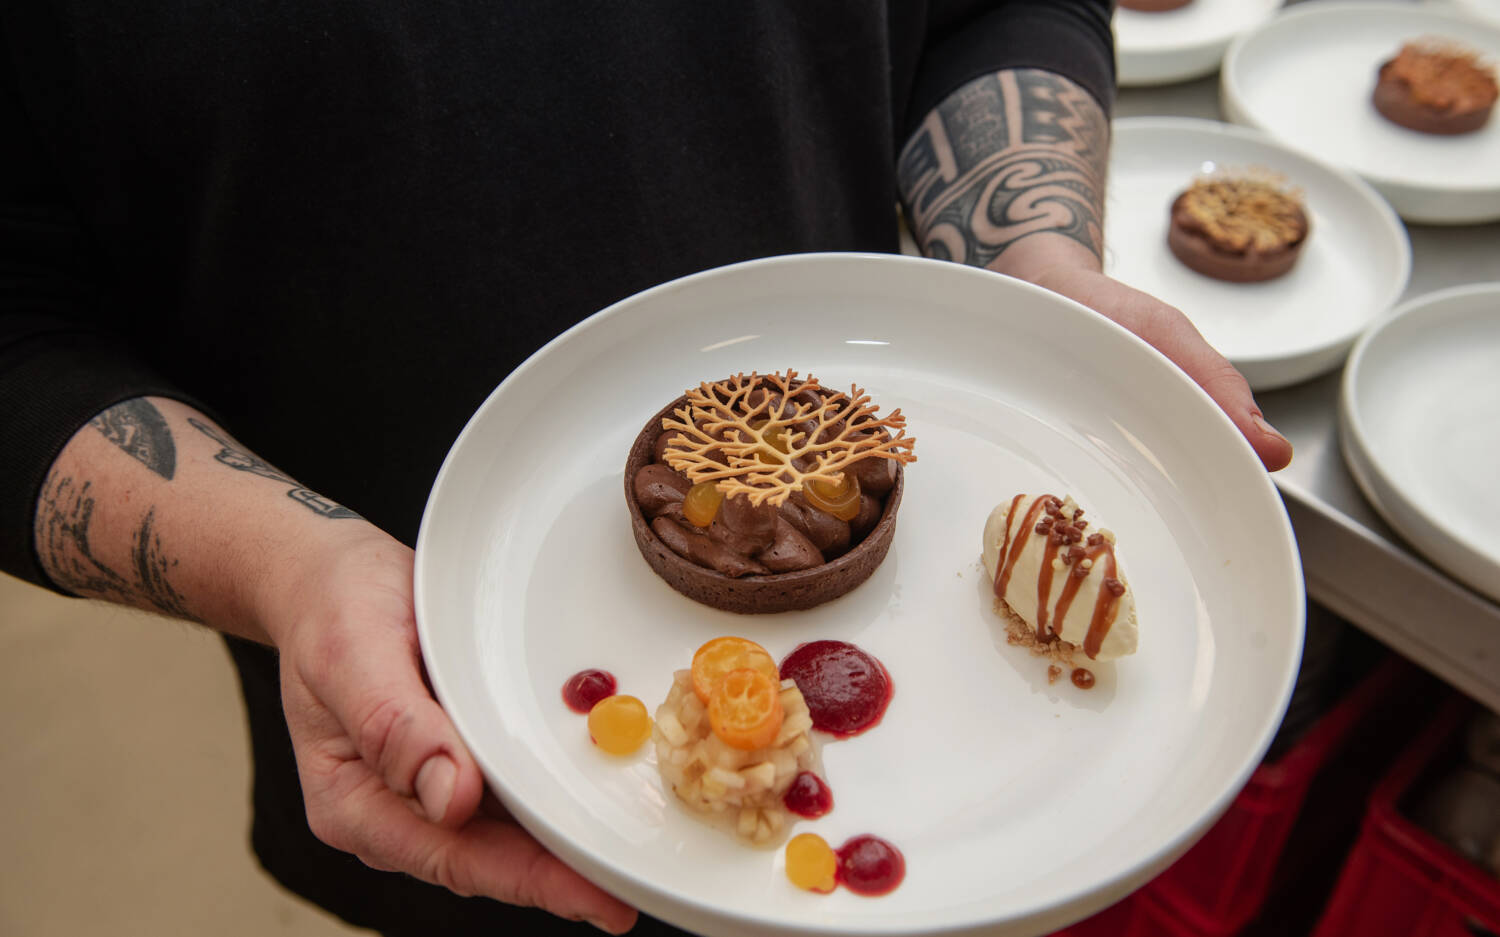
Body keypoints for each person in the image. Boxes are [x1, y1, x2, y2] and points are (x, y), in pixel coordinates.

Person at [0, 2, 1291, 935]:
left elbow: (986, 9)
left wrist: (1038, 267)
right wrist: (288, 566)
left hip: (929, 768)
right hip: (438, 704)